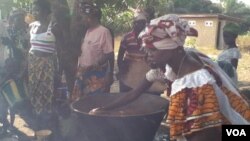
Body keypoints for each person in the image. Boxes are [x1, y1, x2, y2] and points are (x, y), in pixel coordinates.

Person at [90, 14, 250, 141]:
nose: (147, 56)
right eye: (146, 50)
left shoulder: (196, 85)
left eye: (152, 50)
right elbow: (134, 93)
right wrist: (105, 109)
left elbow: (208, 135)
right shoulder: (175, 63)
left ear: (172, 49)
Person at [28, 0, 62, 137]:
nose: (35, 13)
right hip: (33, 68)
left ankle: (52, 133)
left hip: (47, 68)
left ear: (46, 11)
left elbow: (60, 50)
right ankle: (39, 131)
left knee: (49, 100)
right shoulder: (32, 26)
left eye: (38, 10)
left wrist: (60, 73)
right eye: (34, 10)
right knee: (34, 98)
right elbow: (30, 47)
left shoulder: (54, 27)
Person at [71, 2, 114, 99]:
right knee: (80, 102)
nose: (82, 20)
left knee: (95, 102)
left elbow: (110, 54)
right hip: (82, 73)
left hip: (96, 75)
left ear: (90, 17)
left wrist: (109, 73)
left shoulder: (103, 32)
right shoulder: (86, 31)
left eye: (83, 17)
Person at [0, 9, 29, 133]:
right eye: (14, 18)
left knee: (18, 96)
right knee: (8, 96)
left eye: (19, 17)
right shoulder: (10, 31)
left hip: (22, 67)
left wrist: (11, 44)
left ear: (23, 18)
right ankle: (7, 123)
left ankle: (22, 119)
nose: (16, 20)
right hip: (10, 68)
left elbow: (25, 53)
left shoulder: (28, 31)